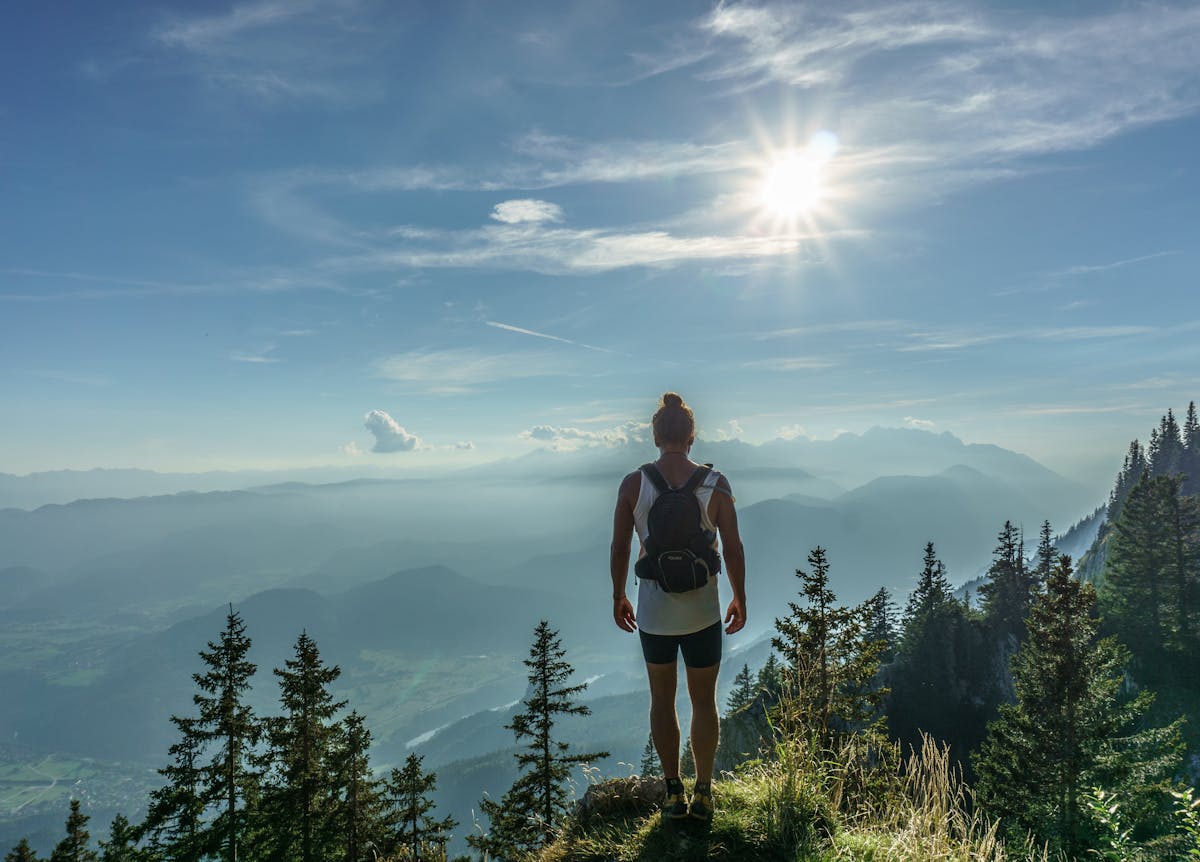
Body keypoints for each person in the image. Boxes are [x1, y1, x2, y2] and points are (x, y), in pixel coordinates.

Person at [610, 392, 747, 822]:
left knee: (662, 700)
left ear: (655, 436)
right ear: (691, 436)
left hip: (654, 613)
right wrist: (740, 596)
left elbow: (620, 545)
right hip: (703, 612)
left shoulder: (634, 484)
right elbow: (734, 547)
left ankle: (673, 793)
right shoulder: (716, 484)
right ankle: (704, 792)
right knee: (704, 702)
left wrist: (619, 595)